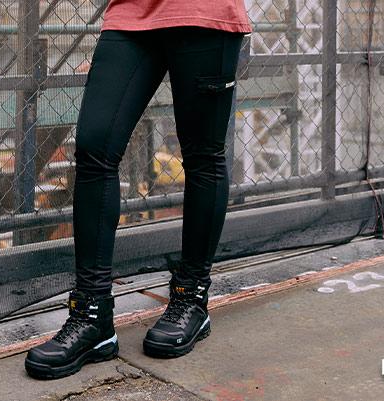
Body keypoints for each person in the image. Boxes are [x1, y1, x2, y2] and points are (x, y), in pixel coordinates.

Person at [25, 0, 252, 379]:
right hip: (131, 13)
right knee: (95, 148)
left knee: (202, 156)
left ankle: (191, 298)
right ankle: (92, 314)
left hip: (204, 12)